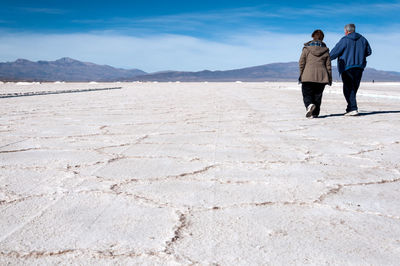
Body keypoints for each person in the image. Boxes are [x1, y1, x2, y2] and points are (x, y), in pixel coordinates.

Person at [330, 23, 372, 116]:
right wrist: (360, 55)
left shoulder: (344, 40)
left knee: (348, 88)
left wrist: (325, 58)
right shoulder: (363, 39)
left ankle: (353, 108)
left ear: (346, 31)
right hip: (359, 67)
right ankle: (350, 108)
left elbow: (334, 52)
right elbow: (369, 51)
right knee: (354, 88)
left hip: (347, 67)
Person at [299, 29, 332, 118]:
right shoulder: (325, 50)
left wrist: (301, 74)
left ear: (313, 37)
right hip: (322, 77)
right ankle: (315, 113)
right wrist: (329, 78)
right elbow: (328, 66)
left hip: (307, 76)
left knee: (307, 94)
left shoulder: (307, 49)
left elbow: (301, 63)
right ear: (322, 38)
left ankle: (309, 105)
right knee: (318, 96)